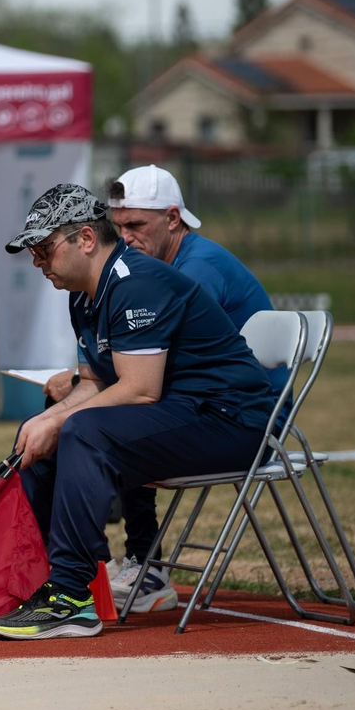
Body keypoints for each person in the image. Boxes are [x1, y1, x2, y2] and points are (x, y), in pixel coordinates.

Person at [0, 185, 275, 641]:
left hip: (234, 422)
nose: (37, 262)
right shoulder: (82, 293)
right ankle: (43, 580)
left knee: (81, 431)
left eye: (43, 248)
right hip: (187, 412)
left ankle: (72, 595)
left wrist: (60, 421)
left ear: (85, 238)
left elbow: (140, 390)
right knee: (43, 428)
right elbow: (95, 384)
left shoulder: (136, 282)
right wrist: (44, 421)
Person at [89, 164, 281, 613]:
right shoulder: (156, 267)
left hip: (249, 417)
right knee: (112, 414)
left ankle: (143, 561)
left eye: (136, 225)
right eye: (117, 227)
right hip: (209, 403)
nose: (125, 238)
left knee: (123, 420)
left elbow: (158, 363)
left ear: (172, 219)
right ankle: (109, 558)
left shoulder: (196, 270)